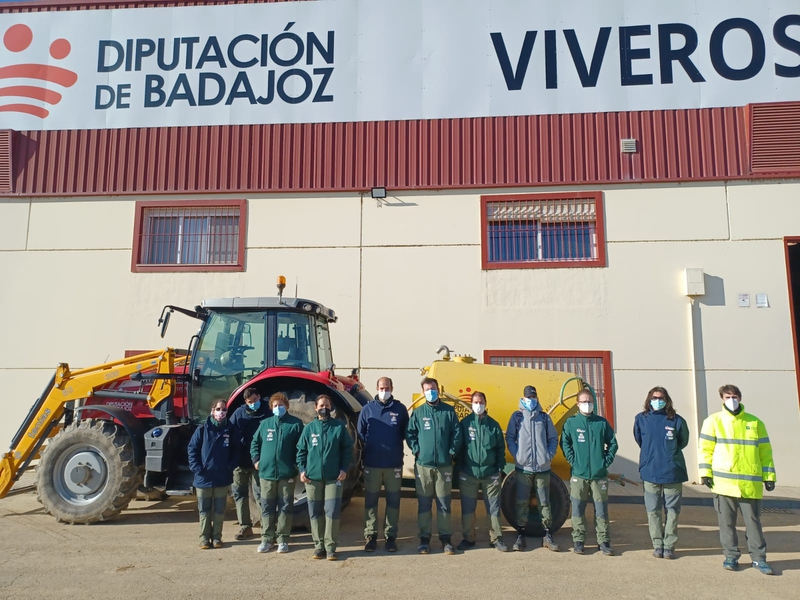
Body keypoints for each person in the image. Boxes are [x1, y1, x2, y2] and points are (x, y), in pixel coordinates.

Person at [699, 384, 777, 575]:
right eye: (727, 397)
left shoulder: (755, 423)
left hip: (749, 485)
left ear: (740, 398)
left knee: (754, 524)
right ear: (721, 399)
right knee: (726, 524)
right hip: (723, 484)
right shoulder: (713, 421)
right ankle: (731, 557)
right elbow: (705, 450)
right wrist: (705, 473)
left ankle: (759, 559)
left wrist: (769, 476)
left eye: (734, 396)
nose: (731, 400)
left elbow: (765, 453)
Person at [405, 377, 461, 555]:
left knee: (444, 504)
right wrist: (417, 451)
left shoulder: (448, 412)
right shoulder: (419, 413)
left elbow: (457, 434)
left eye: (433, 389)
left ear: (438, 390)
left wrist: (451, 452)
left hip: (444, 466)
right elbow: (410, 433)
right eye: (427, 389)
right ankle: (424, 539)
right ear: (423, 392)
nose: (431, 392)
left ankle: (446, 539)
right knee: (424, 505)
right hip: (424, 466)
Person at [560, 388, 618, 556]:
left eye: (590, 401)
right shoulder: (571, 423)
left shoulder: (601, 423)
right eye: (584, 402)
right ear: (578, 404)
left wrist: (604, 462)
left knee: (601, 511)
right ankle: (579, 541)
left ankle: (604, 541)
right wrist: (573, 461)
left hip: (599, 476)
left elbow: (613, 444)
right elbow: (565, 443)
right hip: (579, 475)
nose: (587, 404)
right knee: (578, 509)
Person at [633, 386, 689, 560]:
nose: (657, 400)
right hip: (650, 472)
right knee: (653, 510)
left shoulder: (677, 420)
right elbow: (639, 439)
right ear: (649, 400)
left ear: (667, 400)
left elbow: (683, 441)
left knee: (672, 510)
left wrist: (669, 454)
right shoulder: (641, 419)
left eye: (661, 398)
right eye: (654, 397)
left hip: (673, 472)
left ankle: (669, 545)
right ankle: (657, 544)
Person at [296, 394, 354, 561]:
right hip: (312, 479)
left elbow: (347, 451)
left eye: (327, 405)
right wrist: (302, 470)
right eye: (321, 405)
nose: (325, 408)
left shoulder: (338, 428)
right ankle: (318, 546)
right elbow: (301, 451)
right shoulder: (309, 429)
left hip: (334, 478)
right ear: (315, 408)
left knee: (332, 512)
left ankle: (330, 547)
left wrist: (344, 469)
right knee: (315, 512)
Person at [357, 376, 409, 552]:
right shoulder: (367, 409)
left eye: (387, 387)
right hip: (372, 464)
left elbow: (404, 433)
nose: (384, 390)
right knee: (371, 502)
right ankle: (370, 536)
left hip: (393, 464)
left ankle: (391, 536)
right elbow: (360, 434)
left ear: (392, 388)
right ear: (377, 388)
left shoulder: (400, 409)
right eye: (381, 387)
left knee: (393, 502)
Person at [505, 385, 559, 552]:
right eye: (529, 398)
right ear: (523, 398)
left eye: (534, 397)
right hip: (524, 468)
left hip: (543, 468)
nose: (531, 400)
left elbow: (553, 438)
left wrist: (548, 456)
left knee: (544, 502)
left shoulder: (544, 418)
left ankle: (548, 534)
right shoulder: (517, 417)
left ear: (537, 398)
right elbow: (510, 437)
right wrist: (517, 455)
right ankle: (521, 534)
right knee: (522, 501)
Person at [251, 392, 304, 554]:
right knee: (266, 507)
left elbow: (301, 447)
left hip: (286, 474)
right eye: (275, 406)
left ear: (286, 406)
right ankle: (267, 539)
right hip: (266, 475)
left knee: (285, 507)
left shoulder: (295, 424)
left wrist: (296, 465)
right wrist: (256, 460)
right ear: (271, 408)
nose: (278, 408)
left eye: (281, 405)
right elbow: (255, 443)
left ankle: (283, 540)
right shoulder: (265, 424)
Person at [458, 391, 507, 552]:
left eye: (481, 402)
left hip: (490, 474)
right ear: (471, 404)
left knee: (493, 508)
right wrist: (461, 468)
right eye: (475, 402)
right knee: (468, 508)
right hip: (469, 475)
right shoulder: (465, 424)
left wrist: (499, 469)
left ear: (486, 403)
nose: (478, 405)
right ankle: (468, 538)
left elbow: (500, 448)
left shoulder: (493, 425)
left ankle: (496, 538)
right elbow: (459, 448)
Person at [187, 399, 240, 549]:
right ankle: (204, 539)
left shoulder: (231, 429)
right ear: (212, 411)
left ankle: (217, 538)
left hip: (222, 478)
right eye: (218, 409)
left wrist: (230, 467)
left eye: (223, 409)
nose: (221, 412)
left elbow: (237, 451)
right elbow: (192, 449)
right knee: (204, 510)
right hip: (203, 478)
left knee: (219, 511)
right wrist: (197, 468)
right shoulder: (203, 429)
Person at [229, 387, 273, 540]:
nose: (253, 403)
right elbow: (230, 433)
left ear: (259, 396)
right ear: (245, 402)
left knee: (261, 495)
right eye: (250, 402)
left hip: (258, 462)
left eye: (255, 400)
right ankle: (245, 527)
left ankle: (266, 528)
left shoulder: (268, 412)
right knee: (240, 495)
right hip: (240, 462)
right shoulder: (238, 414)